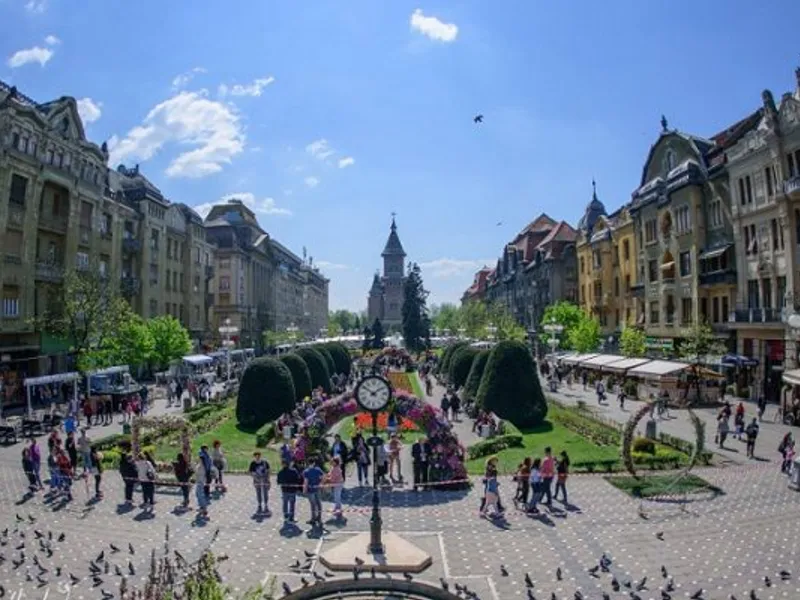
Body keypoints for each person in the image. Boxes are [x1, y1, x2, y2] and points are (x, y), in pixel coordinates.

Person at [303, 459, 325, 527]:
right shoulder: (318, 469)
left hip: (310, 490)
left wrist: (304, 490)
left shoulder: (306, 471)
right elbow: (323, 477)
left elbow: (306, 482)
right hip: (317, 489)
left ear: (307, 463)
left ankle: (313, 519)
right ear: (314, 463)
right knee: (319, 504)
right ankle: (319, 518)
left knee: (313, 505)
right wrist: (321, 484)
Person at [249, 451, 271, 515]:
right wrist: (256, 479)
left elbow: (268, 471)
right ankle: (259, 504)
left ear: (260, 456)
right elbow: (251, 472)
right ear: (254, 456)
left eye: (259, 456)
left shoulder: (265, 462)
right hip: (257, 480)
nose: (257, 457)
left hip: (265, 480)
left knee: (265, 492)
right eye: (256, 456)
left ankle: (266, 505)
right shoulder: (253, 463)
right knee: (258, 492)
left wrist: (268, 479)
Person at [194, 451, 210, 519]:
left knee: (200, 494)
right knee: (198, 494)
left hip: (200, 482)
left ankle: (204, 508)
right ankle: (201, 507)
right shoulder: (200, 465)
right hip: (199, 481)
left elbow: (199, 473)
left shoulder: (202, 466)